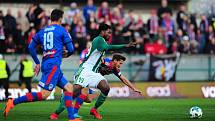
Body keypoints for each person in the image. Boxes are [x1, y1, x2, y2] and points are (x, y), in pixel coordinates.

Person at [3, 9, 80, 121]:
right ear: (60, 19)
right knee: (44, 94)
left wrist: (37, 63)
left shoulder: (42, 31)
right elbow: (71, 49)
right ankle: (13, 102)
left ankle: (71, 118)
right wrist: (66, 54)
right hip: (53, 65)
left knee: (69, 88)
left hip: (46, 63)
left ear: (50, 18)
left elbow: (30, 47)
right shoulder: (62, 30)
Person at [50, 54, 142, 120]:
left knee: (88, 99)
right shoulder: (105, 61)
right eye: (120, 63)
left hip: (94, 80)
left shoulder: (115, 69)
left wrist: (133, 88)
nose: (121, 66)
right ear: (115, 61)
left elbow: (123, 78)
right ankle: (72, 112)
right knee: (83, 91)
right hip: (85, 74)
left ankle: (72, 96)